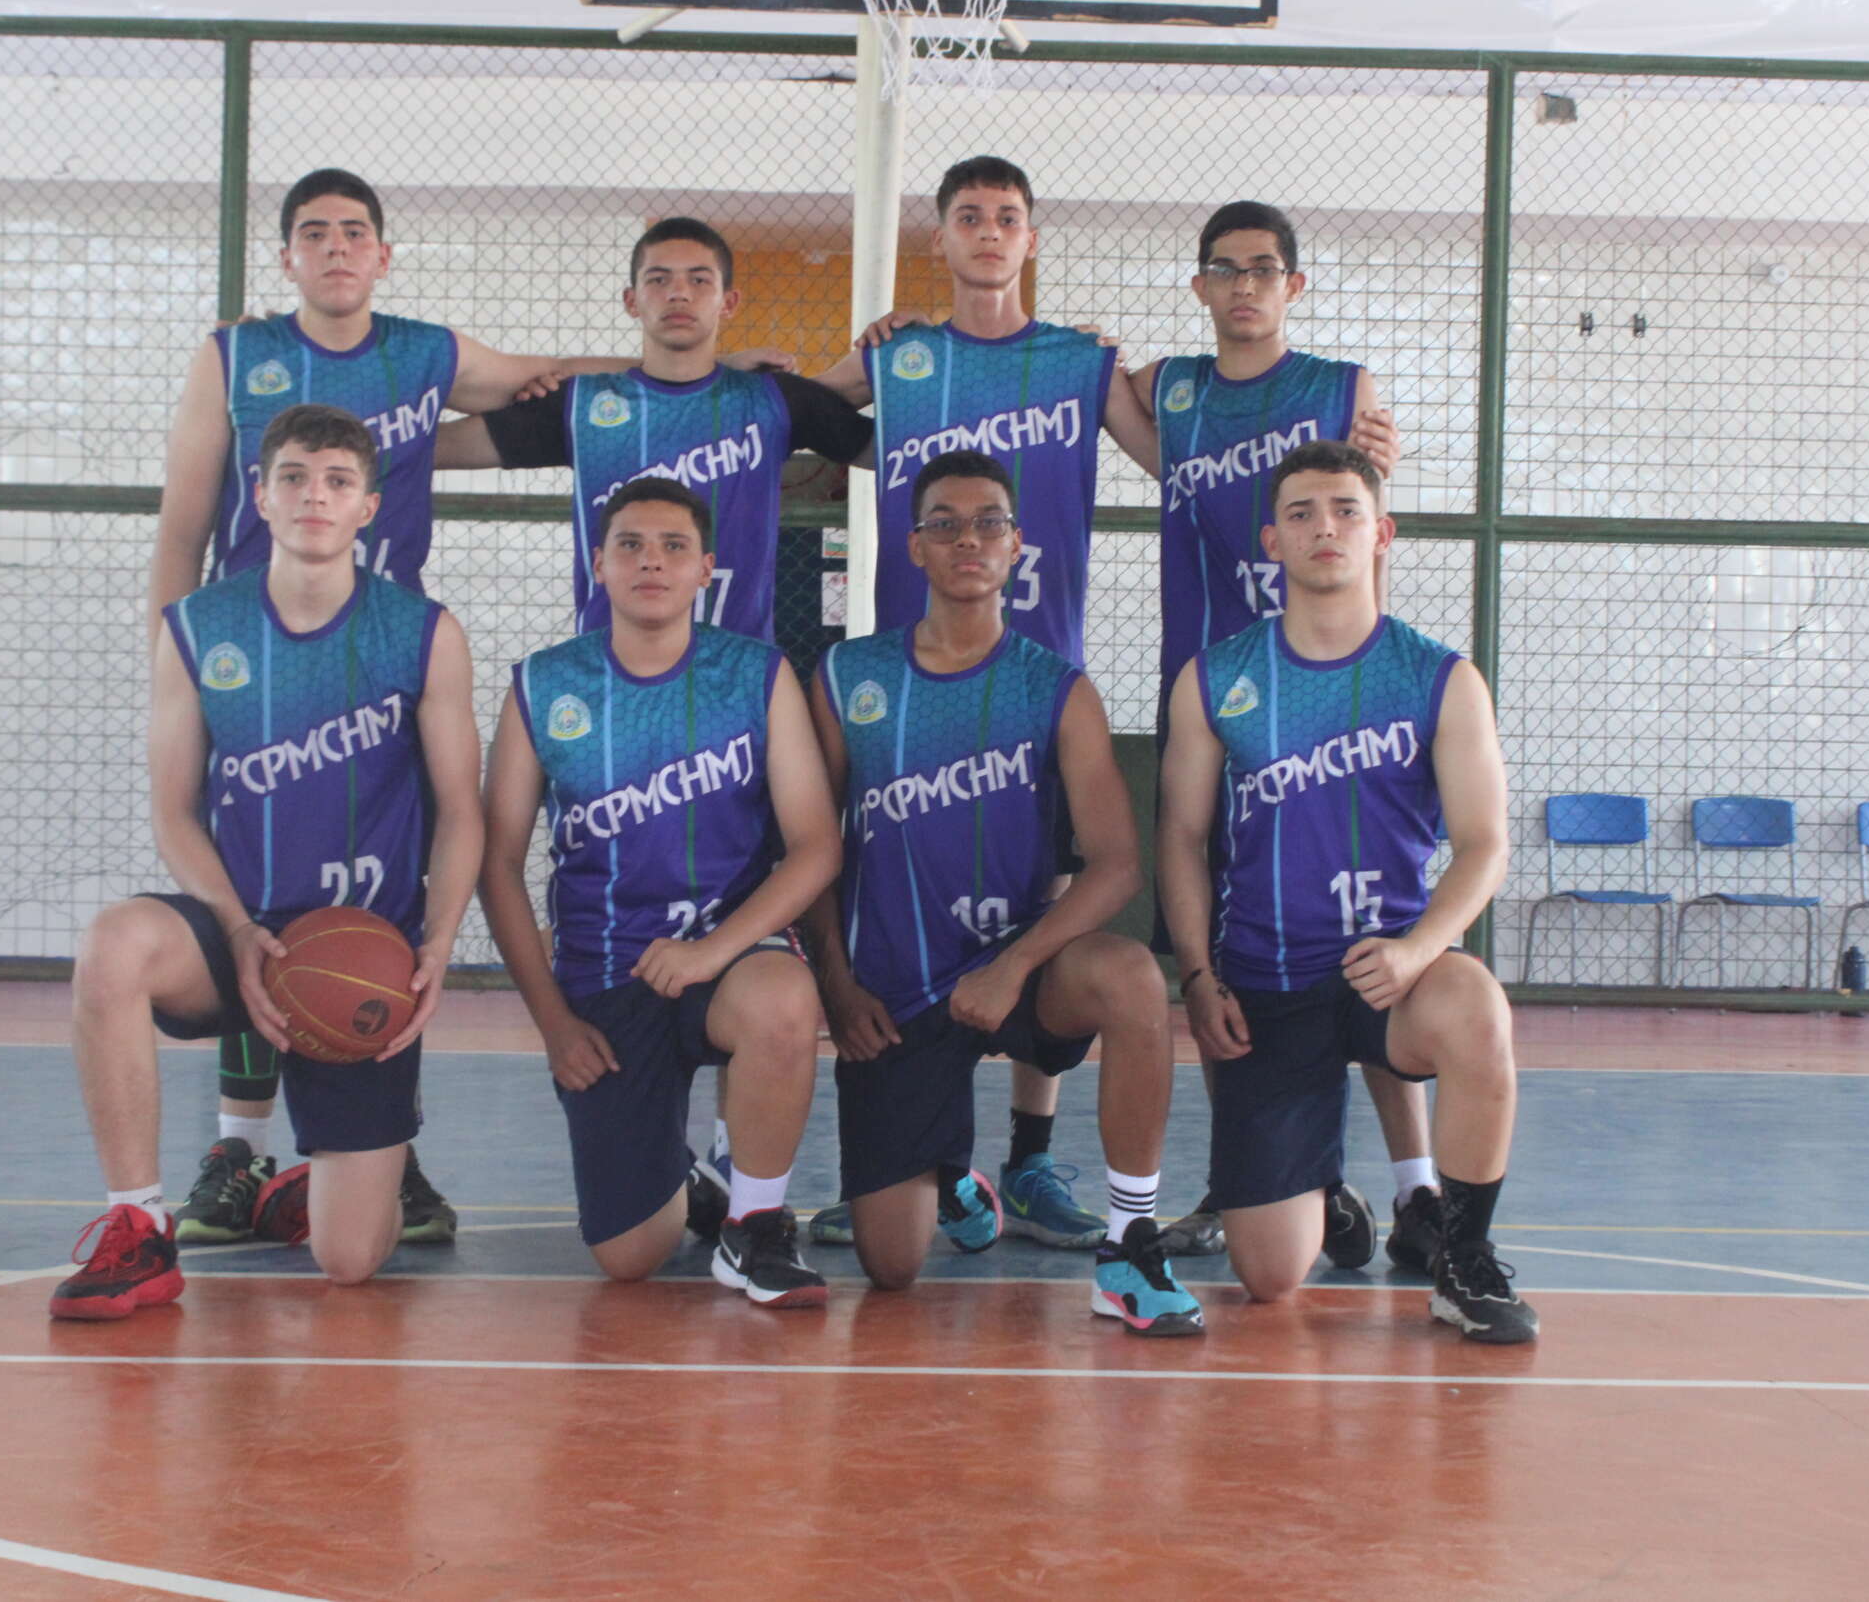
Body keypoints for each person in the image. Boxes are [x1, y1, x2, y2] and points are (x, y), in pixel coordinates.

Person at [147, 169, 580, 1249]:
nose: (336, 247)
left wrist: (706, 369)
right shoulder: (235, 356)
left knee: (374, 906)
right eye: (315, 232)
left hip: (379, 650)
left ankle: (388, 1141)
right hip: (258, 660)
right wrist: (170, 652)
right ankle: (239, 1151)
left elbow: (538, 378)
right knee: (256, 885)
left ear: (383, 255)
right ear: (287, 256)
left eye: (354, 232)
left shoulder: (425, 354)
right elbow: (183, 523)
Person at [50, 405, 482, 1320]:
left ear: (369, 506)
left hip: (359, 952)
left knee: (350, 1261)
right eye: (293, 477)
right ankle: (139, 1225)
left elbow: (460, 812)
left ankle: (299, 1190)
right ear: (261, 495)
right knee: (113, 944)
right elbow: (175, 811)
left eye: (337, 481)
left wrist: (438, 943)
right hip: (235, 929)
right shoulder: (197, 627)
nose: (314, 496)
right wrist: (238, 925)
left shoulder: (423, 632)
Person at [806, 154, 1144, 1251]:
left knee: (1044, 902)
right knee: (904, 896)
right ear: (941, 238)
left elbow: (1184, 455)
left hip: (1034, 675)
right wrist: (847, 358)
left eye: (1007, 217)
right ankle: (927, 1160)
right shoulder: (899, 357)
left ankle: (1030, 1161)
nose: (988, 232)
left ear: (1030, 239)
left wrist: (1362, 446)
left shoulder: (1080, 362)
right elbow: (783, 412)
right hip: (909, 683)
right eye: (968, 216)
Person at [802, 450, 1199, 1334]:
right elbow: (810, 850)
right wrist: (836, 982)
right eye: (944, 524)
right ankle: (952, 1173)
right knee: (892, 1267)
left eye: (988, 522)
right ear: (914, 547)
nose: (967, 539)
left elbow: (1117, 864)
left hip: (1018, 975)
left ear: (1017, 544)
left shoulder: (1055, 687)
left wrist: (1013, 966)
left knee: (1131, 977)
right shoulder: (849, 677)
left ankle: (1131, 1245)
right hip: (895, 992)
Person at [1157, 441, 1536, 1344]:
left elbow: (1485, 845)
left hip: (1388, 975)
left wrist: (1418, 948)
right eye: (1300, 513)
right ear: (1272, 542)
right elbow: (1180, 836)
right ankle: (1318, 1180)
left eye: (1345, 510)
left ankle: (1463, 1256)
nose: (1323, 526)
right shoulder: (1218, 679)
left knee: (1477, 1008)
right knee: (1269, 1275)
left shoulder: (1439, 677)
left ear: (1381, 534)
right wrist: (1199, 976)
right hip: (1269, 980)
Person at [1131, 201, 1435, 1274]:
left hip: (1331, 694)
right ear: (1200, 287)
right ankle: (1256, 1172)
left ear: (1293, 286)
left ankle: (1418, 1187)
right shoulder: (1173, 394)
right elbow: (1077, 383)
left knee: (1370, 935)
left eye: (1264, 268)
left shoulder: (1342, 390)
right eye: (1225, 269)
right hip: (1220, 699)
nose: (1245, 285)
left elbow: (1362, 518)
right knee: (1225, 953)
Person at [478, 477, 842, 1307]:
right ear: (598, 564)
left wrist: (710, 951)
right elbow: (497, 862)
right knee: (630, 1255)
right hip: (605, 973)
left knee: (783, 1000)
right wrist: (553, 1022)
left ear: (706, 568)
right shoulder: (545, 684)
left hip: (727, 956)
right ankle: (686, 1180)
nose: (652, 561)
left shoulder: (755, 674)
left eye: (674, 546)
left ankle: (754, 1228)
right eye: (631, 545)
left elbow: (817, 846)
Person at [432, 215, 874, 641]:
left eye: (699, 280)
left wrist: (902, 343)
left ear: (729, 302)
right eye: (659, 280)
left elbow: (894, 451)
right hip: (607, 667)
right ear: (631, 301)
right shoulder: (580, 405)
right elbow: (435, 446)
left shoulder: (774, 400)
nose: (678, 294)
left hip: (736, 665)